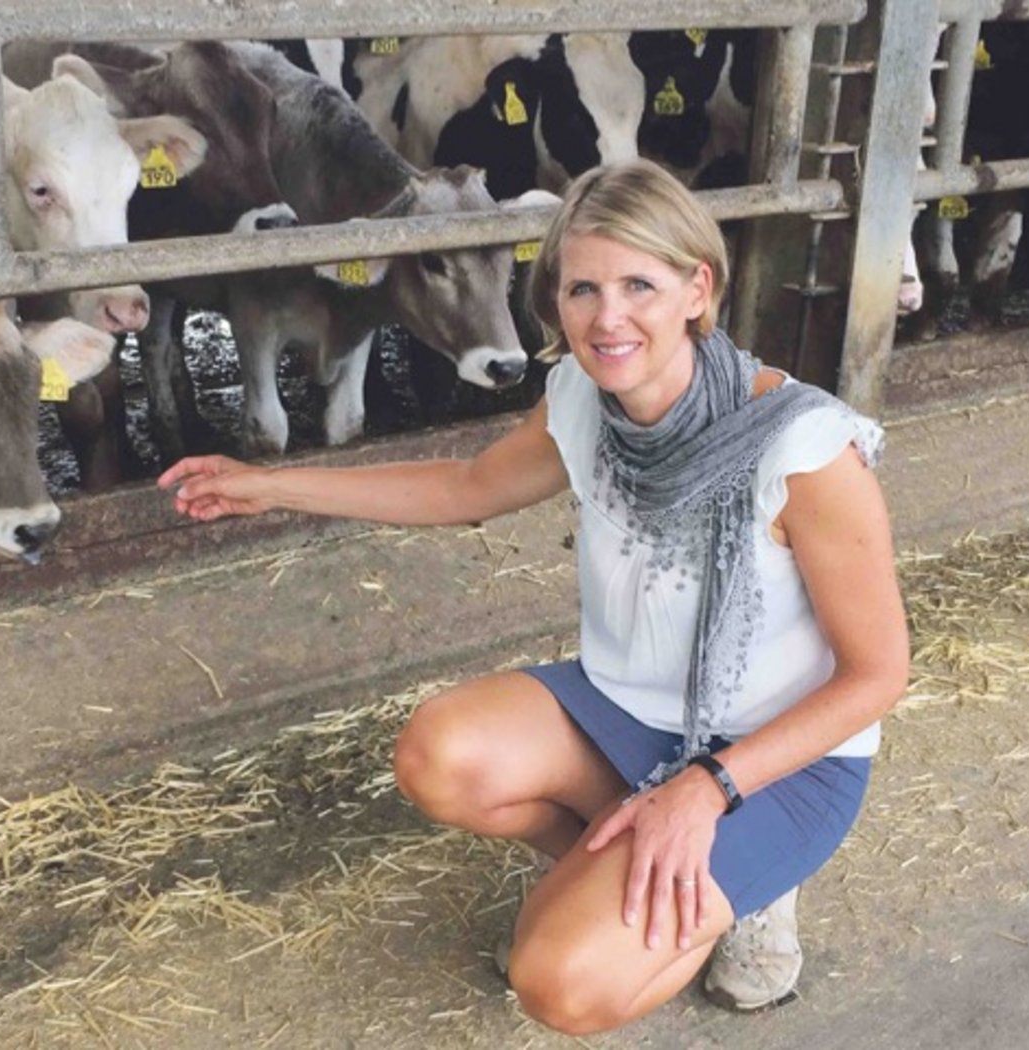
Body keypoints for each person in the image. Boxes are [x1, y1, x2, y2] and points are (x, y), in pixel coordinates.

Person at [159, 160, 909, 1035]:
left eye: (639, 284)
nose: (607, 316)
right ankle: (650, 869)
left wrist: (705, 789)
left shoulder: (805, 447)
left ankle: (736, 895)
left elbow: (878, 673)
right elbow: (466, 487)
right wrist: (274, 486)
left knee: (555, 982)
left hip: (780, 763)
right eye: (581, 288)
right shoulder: (585, 399)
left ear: (697, 288)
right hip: (626, 709)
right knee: (438, 755)